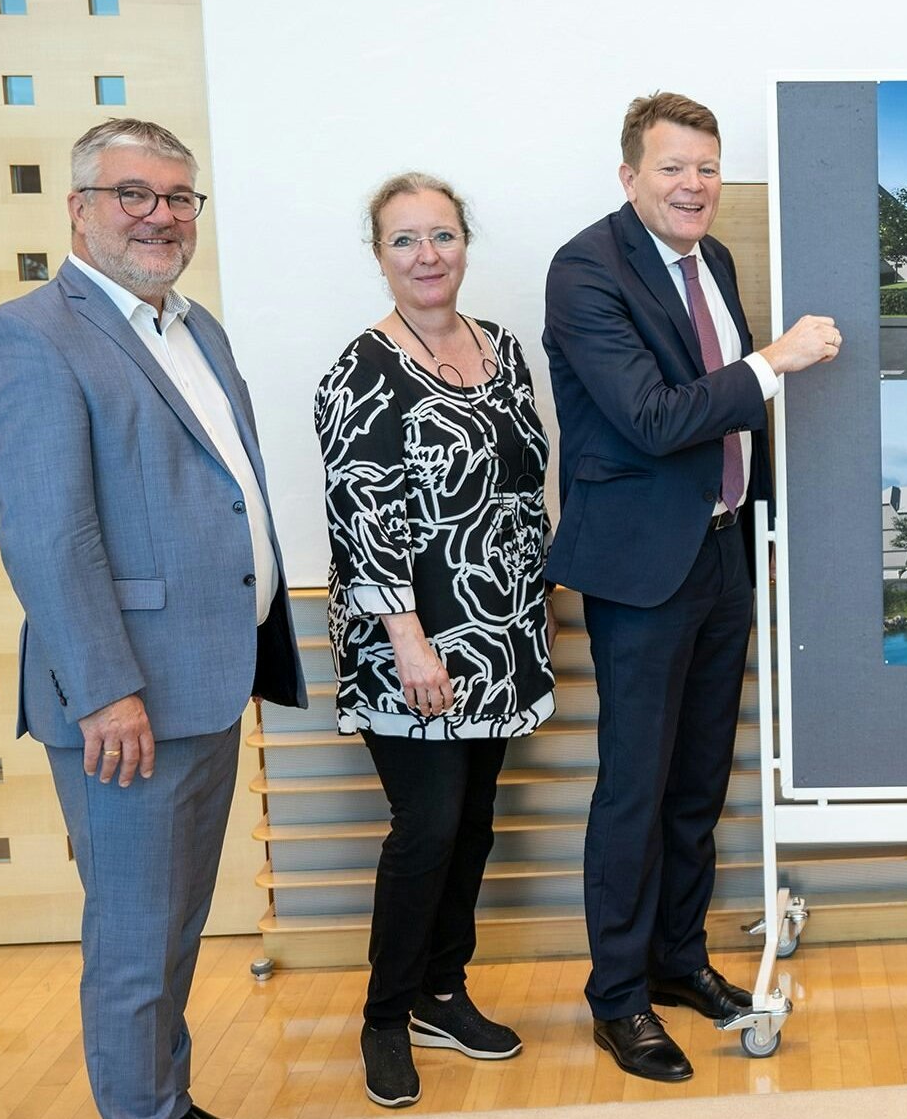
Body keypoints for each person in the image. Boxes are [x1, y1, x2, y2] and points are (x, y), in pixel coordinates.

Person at [0, 119, 306, 1119]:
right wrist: (106, 686)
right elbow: (48, 533)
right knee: (134, 941)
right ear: (78, 207)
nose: (159, 214)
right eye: (132, 193)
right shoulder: (30, 334)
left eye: (177, 196)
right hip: (129, 700)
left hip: (205, 678)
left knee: (174, 928)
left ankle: (165, 1096)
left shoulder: (197, 328)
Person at [543, 91, 843, 1083]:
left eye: (707, 167)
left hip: (721, 555)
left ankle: (677, 961)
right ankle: (617, 998)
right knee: (634, 787)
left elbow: (733, 423)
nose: (694, 185)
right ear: (629, 175)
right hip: (638, 569)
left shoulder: (711, 262)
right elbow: (653, 416)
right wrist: (775, 359)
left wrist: (764, 515)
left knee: (697, 782)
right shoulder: (586, 268)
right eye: (673, 167)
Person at [313, 173, 555, 1108]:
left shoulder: (503, 347)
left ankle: (442, 992)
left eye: (443, 236)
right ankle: (384, 1015)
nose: (428, 256)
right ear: (379, 254)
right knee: (429, 828)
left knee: (477, 823)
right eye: (405, 240)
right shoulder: (360, 371)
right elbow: (357, 517)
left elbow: (525, 479)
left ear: (465, 242)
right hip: (408, 639)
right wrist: (411, 640)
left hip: (500, 629)